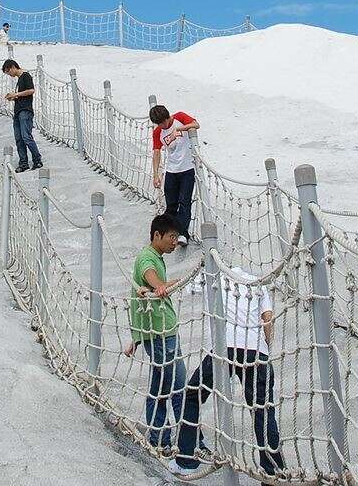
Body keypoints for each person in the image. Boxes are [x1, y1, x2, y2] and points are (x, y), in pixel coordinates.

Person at [174, 263, 285, 477]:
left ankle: (186, 459)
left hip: (224, 347)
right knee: (263, 410)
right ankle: (273, 470)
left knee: (192, 395)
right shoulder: (256, 283)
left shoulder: (214, 277)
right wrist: (265, 349)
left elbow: (188, 286)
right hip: (254, 349)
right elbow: (267, 318)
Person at [124, 213, 186, 458]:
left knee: (160, 383)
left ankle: (159, 436)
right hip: (161, 333)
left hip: (159, 331)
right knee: (176, 384)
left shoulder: (154, 256)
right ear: (157, 235)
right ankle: (186, 438)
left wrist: (137, 338)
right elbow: (149, 276)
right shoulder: (147, 257)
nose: (174, 242)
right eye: (171, 237)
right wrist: (162, 284)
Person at [149, 104, 200, 247]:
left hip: (187, 169)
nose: (163, 126)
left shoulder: (179, 117)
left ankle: (183, 234)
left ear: (167, 117)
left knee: (185, 202)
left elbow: (196, 124)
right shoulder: (158, 132)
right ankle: (166, 234)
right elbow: (157, 152)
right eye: (159, 124)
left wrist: (179, 129)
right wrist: (155, 175)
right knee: (171, 205)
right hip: (171, 170)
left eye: (164, 122)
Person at [2, 58, 43, 171]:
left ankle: (37, 160)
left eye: (8, 71)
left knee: (26, 137)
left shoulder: (25, 76)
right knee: (19, 138)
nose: (10, 75)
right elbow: (24, 94)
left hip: (25, 111)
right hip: (18, 111)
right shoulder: (19, 79)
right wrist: (13, 97)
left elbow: (31, 90)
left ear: (13, 67)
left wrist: (17, 94)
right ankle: (23, 163)